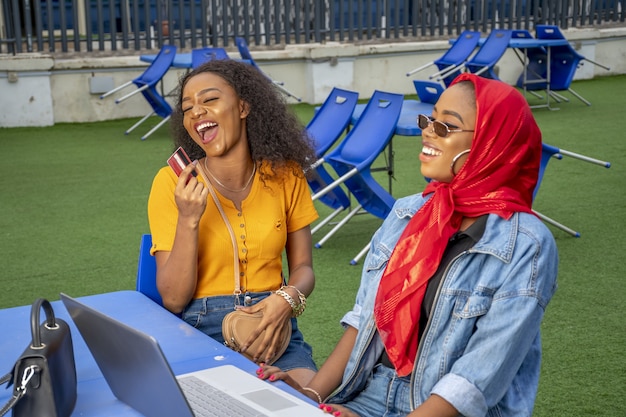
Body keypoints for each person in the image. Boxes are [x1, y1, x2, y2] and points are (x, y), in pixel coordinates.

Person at [257, 73, 559, 416]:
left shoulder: (525, 244)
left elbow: (475, 380)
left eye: (446, 126)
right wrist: (310, 395)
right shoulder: (409, 212)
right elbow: (365, 320)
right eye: (429, 120)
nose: (427, 131)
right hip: (372, 392)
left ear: (492, 143)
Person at [147, 59, 319, 386]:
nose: (196, 111)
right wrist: (188, 219)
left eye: (209, 100)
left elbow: (304, 269)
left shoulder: (286, 176)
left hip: (274, 325)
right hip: (200, 328)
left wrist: (286, 300)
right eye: (187, 107)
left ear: (242, 107)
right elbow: (173, 299)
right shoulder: (171, 183)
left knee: (304, 399)